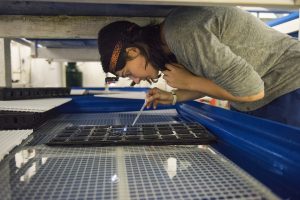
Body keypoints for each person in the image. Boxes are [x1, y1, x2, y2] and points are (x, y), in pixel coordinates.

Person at [97, 6, 300, 127]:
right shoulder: (169, 44)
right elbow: (216, 80)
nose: (136, 80)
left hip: (287, 84)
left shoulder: (183, 35)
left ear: (132, 51)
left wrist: (190, 81)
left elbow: (253, 92)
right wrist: (174, 96)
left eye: (128, 73)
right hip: (262, 94)